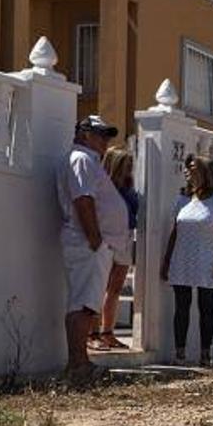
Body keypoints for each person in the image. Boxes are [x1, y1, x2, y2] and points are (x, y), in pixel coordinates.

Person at [56, 115, 124, 385]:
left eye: (107, 135)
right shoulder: (81, 159)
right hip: (87, 242)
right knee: (83, 304)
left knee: (85, 303)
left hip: (91, 243)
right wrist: (95, 239)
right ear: (84, 134)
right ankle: (78, 364)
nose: (105, 141)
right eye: (100, 134)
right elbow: (83, 200)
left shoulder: (86, 160)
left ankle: (80, 362)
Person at [160, 155, 213, 366]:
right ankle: (180, 353)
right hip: (182, 258)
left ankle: (205, 355)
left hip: (207, 259)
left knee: (206, 306)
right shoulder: (182, 199)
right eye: (187, 168)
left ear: (204, 172)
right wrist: (167, 260)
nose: (187, 171)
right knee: (181, 306)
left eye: (192, 167)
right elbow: (175, 231)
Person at [91, 146, 139, 350]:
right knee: (98, 286)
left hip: (126, 239)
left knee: (116, 288)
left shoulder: (130, 189)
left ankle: (108, 332)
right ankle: (92, 333)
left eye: (130, 165)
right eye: (125, 165)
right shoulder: (103, 187)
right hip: (107, 239)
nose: (129, 169)